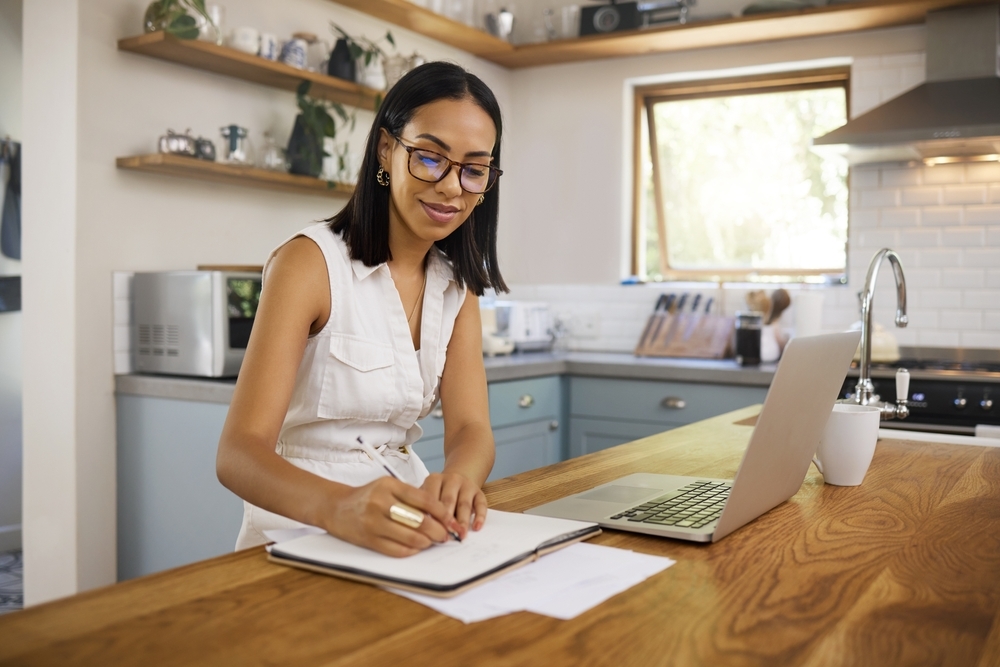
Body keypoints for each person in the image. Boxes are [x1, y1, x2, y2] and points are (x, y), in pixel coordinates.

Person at [216, 61, 507, 558]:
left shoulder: (456, 286)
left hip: (406, 521)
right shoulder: (309, 263)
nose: (453, 187)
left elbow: (470, 429)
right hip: (298, 528)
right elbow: (238, 455)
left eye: (474, 169)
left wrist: (458, 478)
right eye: (431, 157)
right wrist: (340, 507)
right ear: (387, 149)